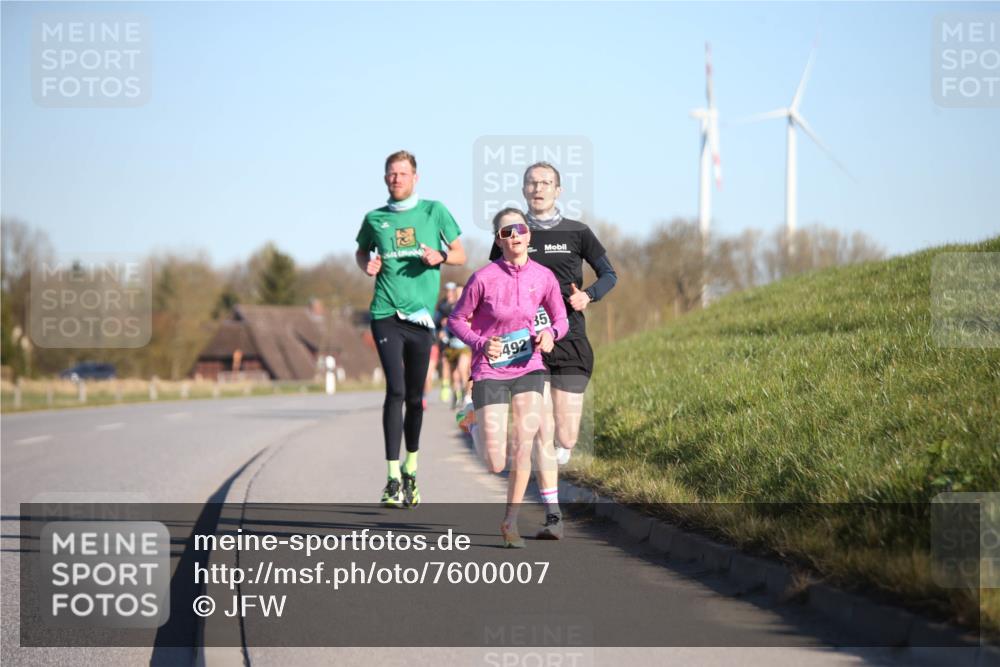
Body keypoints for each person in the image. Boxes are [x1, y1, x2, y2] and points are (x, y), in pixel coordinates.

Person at [488, 161, 618, 537]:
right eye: (532, 183)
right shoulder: (512, 231)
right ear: (524, 189)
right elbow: (491, 284)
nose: (539, 188)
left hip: (571, 339)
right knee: (540, 430)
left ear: (558, 190)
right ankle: (553, 515)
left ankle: (560, 462)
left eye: (546, 183)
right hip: (528, 347)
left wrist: (588, 297)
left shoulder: (577, 232)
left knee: (565, 436)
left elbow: (610, 274)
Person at [449, 208, 568, 547]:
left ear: (529, 234)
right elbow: (457, 320)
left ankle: (510, 522)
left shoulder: (544, 277)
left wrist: (550, 335)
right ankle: (470, 419)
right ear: (498, 241)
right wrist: (480, 343)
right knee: (494, 461)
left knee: (524, 444)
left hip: (529, 366)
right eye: (506, 232)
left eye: (519, 229)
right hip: (490, 369)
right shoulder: (483, 278)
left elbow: (560, 319)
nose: (514, 235)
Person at [356, 150, 466, 508]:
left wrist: (441, 257)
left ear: (415, 177)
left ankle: (411, 469)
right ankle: (390, 477)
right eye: (391, 174)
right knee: (396, 391)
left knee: (417, 399)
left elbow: (461, 254)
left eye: (402, 173)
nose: (396, 179)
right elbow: (361, 252)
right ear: (385, 178)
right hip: (385, 312)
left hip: (421, 318)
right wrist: (366, 265)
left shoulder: (435, 211)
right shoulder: (375, 219)